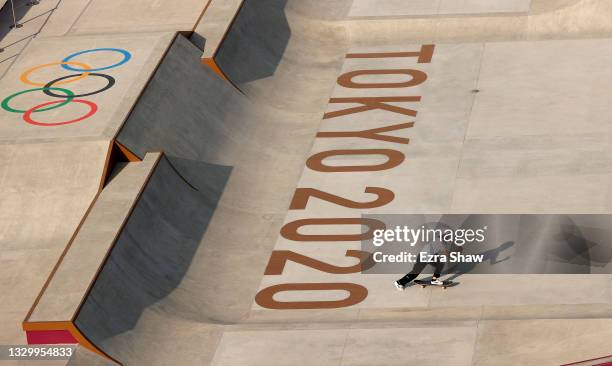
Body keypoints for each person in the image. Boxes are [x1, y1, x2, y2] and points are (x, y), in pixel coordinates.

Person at [394, 233, 463, 290]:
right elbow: (447, 254)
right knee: (415, 273)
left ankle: (434, 280)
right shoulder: (440, 241)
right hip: (424, 257)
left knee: (440, 263)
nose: (449, 240)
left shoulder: (437, 240)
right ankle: (399, 282)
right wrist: (457, 251)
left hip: (428, 256)